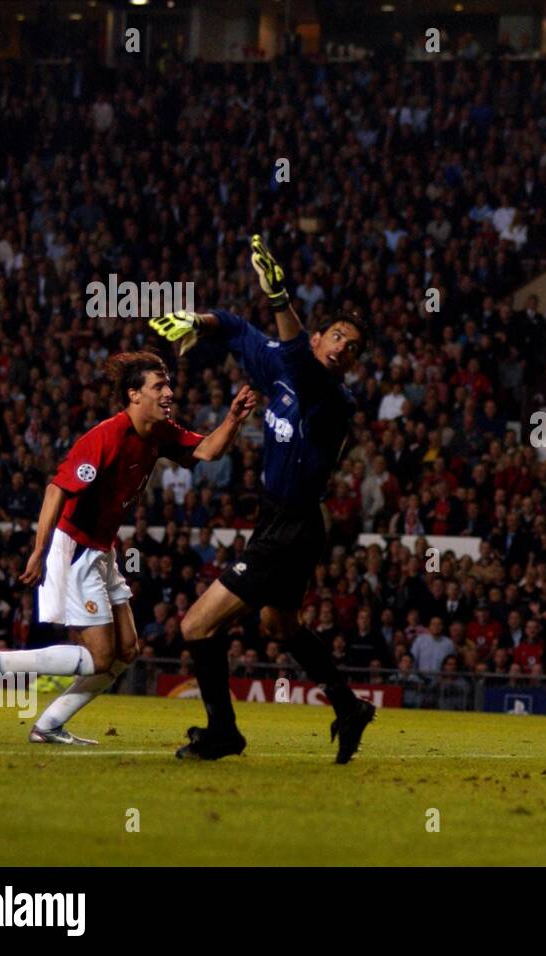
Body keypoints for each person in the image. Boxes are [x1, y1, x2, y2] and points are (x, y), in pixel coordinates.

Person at [149, 234, 372, 762]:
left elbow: (295, 360)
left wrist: (279, 300)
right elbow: (234, 327)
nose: (344, 348)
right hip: (278, 519)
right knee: (280, 624)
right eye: (338, 336)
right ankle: (349, 705)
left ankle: (223, 733)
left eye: (354, 348)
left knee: (196, 625)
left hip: (294, 528)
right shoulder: (281, 366)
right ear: (319, 336)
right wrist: (197, 322)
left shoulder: (334, 400)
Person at [0, 352, 254, 744]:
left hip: (102, 549)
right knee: (99, 657)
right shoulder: (106, 437)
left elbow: (208, 451)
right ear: (134, 394)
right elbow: (56, 490)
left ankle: (48, 727)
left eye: (168, 385)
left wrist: (233, 419)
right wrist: (38, 550)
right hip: (75, 547)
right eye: (158, 387)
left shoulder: (161, 432)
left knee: (127, 650)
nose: (169, 392)